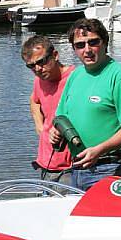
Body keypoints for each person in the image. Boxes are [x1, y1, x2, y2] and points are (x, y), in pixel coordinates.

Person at [50, 18, 121, 191]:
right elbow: (61, 116)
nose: (87, 50)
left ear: (105, 42)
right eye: (80, 45)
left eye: (93, 42)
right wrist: (56, 132)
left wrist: (100, 149)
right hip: (77, 169)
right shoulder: (76, 76)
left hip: (110, 167)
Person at [21, 35, 74, 183]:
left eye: (41, 62)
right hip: (46, 163)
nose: (37, 69)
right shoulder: (39, 80)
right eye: (31, 66)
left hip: (72, 167)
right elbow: (34, 101)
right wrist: (40, 127)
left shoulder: (76, 78)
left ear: (55, 55)